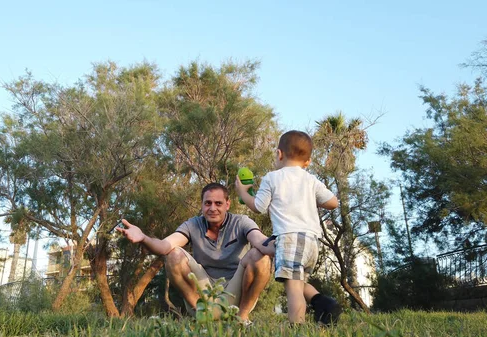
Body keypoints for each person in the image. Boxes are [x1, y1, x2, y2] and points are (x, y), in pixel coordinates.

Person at [116, 183, 271, 324]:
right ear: (202, 205)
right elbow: (164, 246)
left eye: (218, 203)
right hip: (203, 293)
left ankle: (242, 318)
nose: (212, 208)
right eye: (208, 203)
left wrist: (283, 245)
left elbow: (261, 241)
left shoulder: (241, 222)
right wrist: (143, 238)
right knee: (173, 254)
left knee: (260, 257)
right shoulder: (192, 225)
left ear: (227, 204)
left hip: (236, 293)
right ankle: (201, 313)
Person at [235, 130, 342, 326]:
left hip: (290, 238)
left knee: (292, 288)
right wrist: (308, 200)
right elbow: (333, 202)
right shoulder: (311, 180)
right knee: (297, 282)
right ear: (307, 162)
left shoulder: (272, 178)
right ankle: (324, 304)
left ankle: (297, 325)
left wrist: (243, 192)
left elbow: (259, 206)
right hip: (312, 242)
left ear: (279, 154)